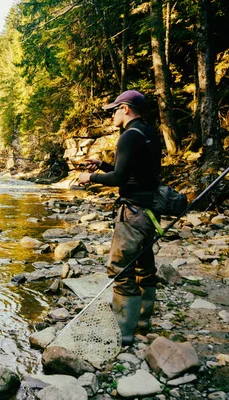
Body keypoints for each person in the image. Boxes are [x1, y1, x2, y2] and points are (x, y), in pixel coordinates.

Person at [74, 90, 162, 345]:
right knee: (144, 267)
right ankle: (142, 323)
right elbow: (133, 173)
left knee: (121, 269)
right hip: (150, 212)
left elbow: (120, 180)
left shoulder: (128, 137)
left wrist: (89, 177)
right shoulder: (150, 134)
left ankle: (123, 333)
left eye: (114, 109)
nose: (112, 114)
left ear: (126, 109)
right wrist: (102, 165)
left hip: (133, 214)